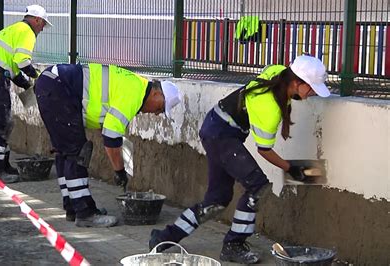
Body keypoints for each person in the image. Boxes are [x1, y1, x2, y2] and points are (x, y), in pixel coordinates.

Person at [148, 55, 330, 264]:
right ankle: (233, 245)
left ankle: (164, 238)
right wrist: (292, 169)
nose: (314, 92)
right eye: (312, 87)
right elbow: (265, 150)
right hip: (221, 135)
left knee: (216, 201)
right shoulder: (268, 107)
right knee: (257, 184)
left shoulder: (280, 73)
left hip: (217, 128)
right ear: (296, 82)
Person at [34, 63, 182, 227]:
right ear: (155, 93)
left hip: (51, 83)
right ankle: (85, 213)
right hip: (59, 88)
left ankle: (73, 208)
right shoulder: (135, 94)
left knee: (65, 151)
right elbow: (111, 138)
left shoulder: (135, 84)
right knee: (77, 152)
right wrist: (119, 171)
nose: (156, 113)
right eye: (160, 108)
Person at [0, 5, 52, 183]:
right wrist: (38, 77)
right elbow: (22, 61)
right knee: (2, 124)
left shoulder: (13, 29)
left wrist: (27, 85)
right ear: (37, 20)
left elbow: (12, 68)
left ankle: (3, 165)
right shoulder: (27, 32)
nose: (42, 29)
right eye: (42, 25)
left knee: (5, 123)